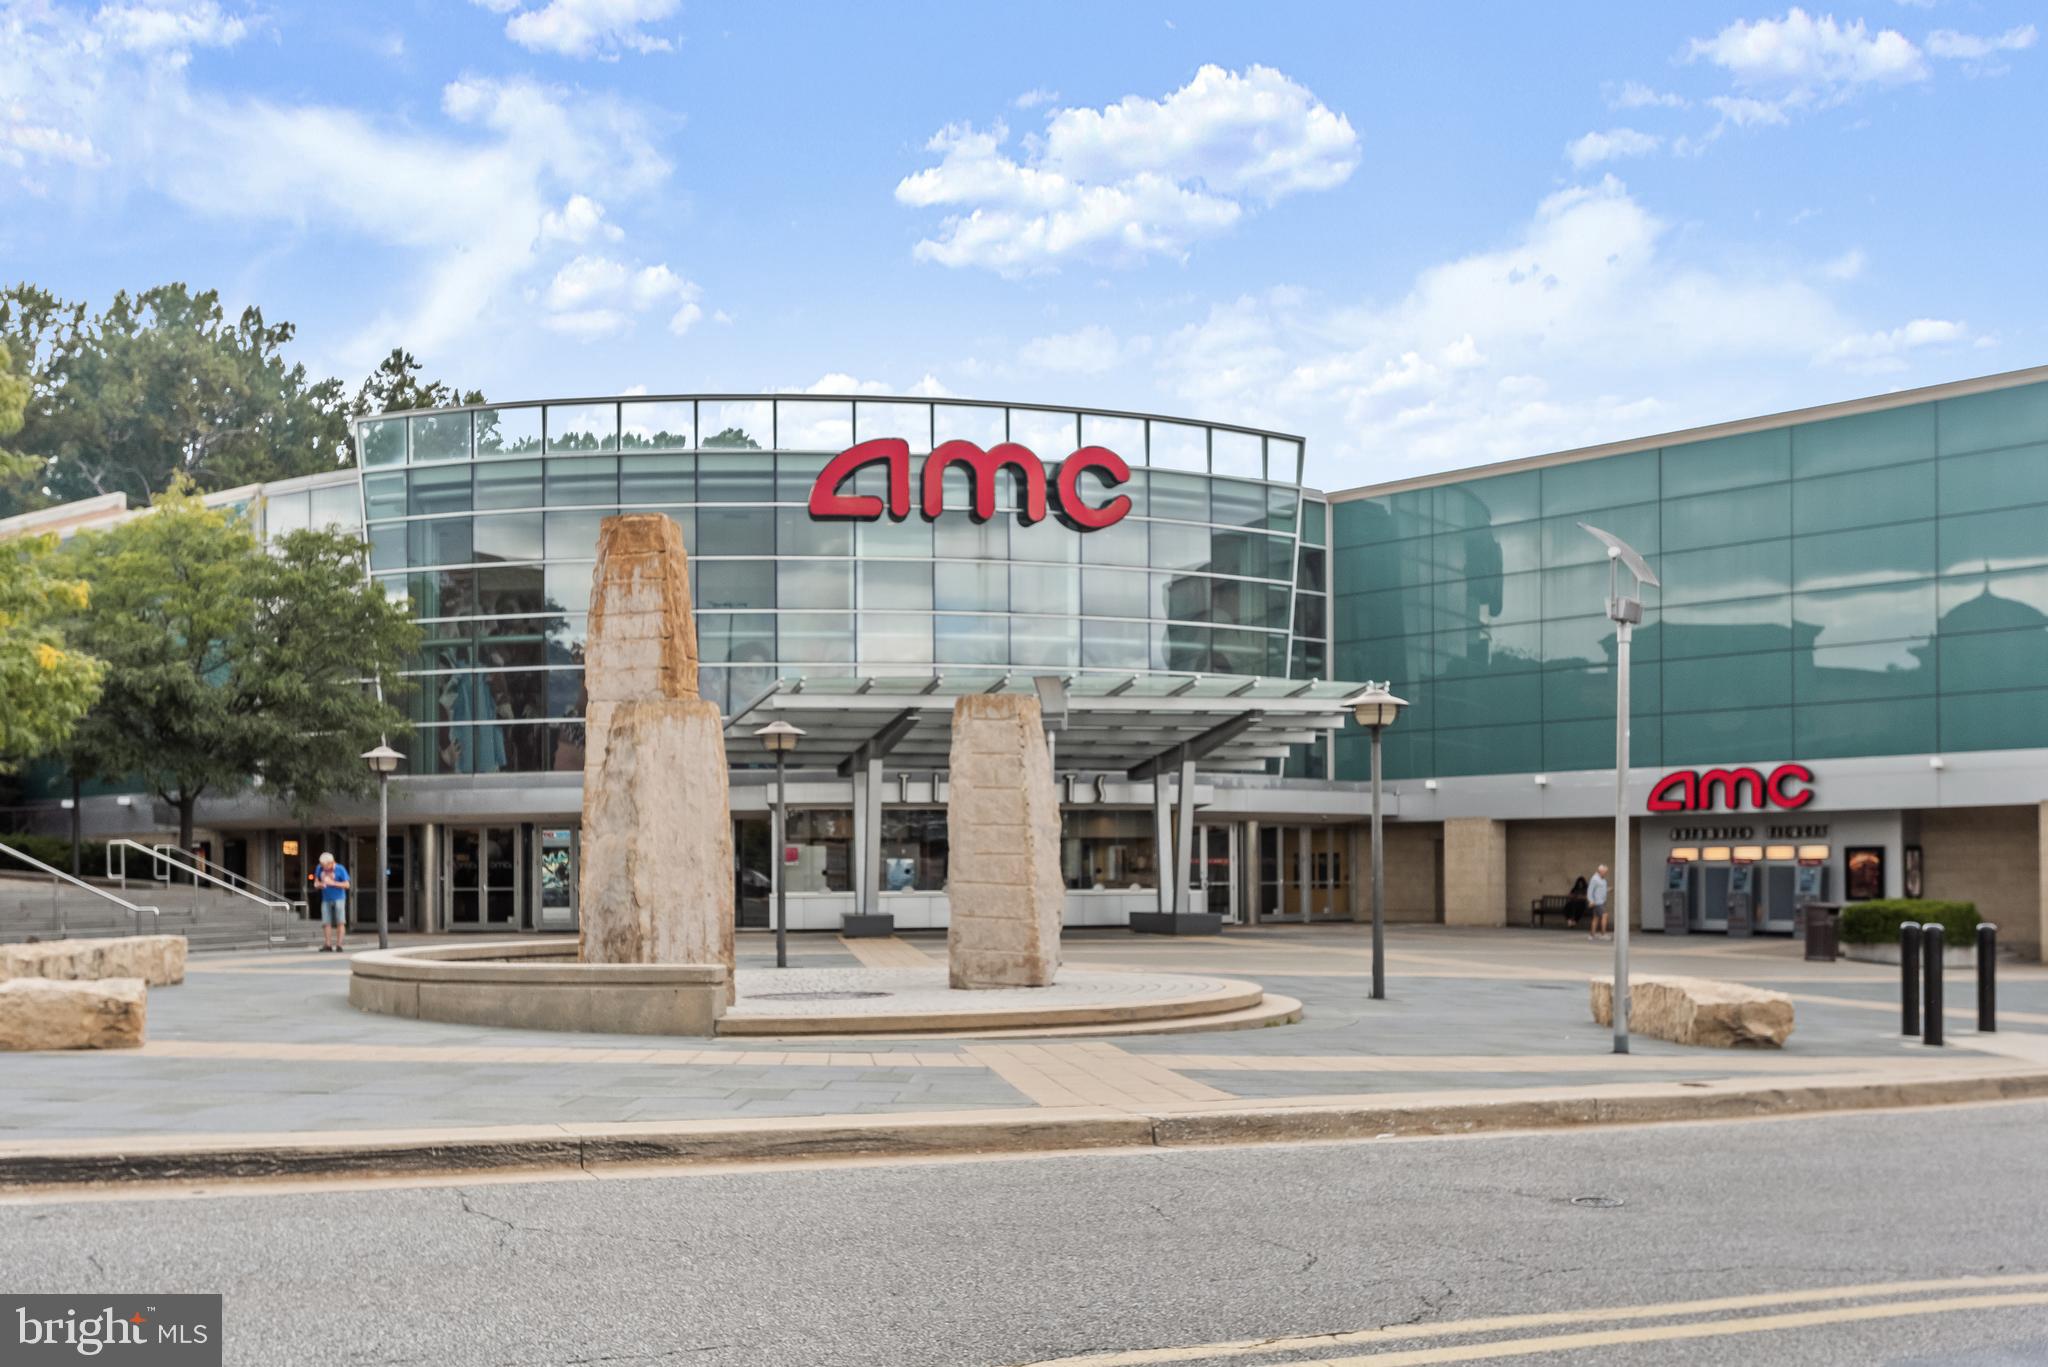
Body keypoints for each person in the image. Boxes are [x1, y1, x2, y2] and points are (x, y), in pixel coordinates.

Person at [316, 851, 352, 953]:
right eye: (322, 865)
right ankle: (328, 945)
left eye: (325, 865)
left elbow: (347, 885)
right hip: (326, 898)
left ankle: (339, 945)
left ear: (331, 863)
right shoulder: (319, 868)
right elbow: (316, 881)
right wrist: (319, 885)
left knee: (340, 921)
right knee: (326, 922)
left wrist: (333, 883)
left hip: (339, 898)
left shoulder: (340, 869)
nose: (324, 867)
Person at [1587, 864, 1610, 941]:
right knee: (1605, 915)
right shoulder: (1595, 879)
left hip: (1601, 901)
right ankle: (1603, 934)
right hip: (1598, 902)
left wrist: (1608, 890)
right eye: (1605, 872)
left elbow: (1600, 890)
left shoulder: (1602, 879)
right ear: (1600, 871)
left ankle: (1591, 935)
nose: (1605, 873)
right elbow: (1590, 891)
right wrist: (1591, 901)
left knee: (1596, 918)